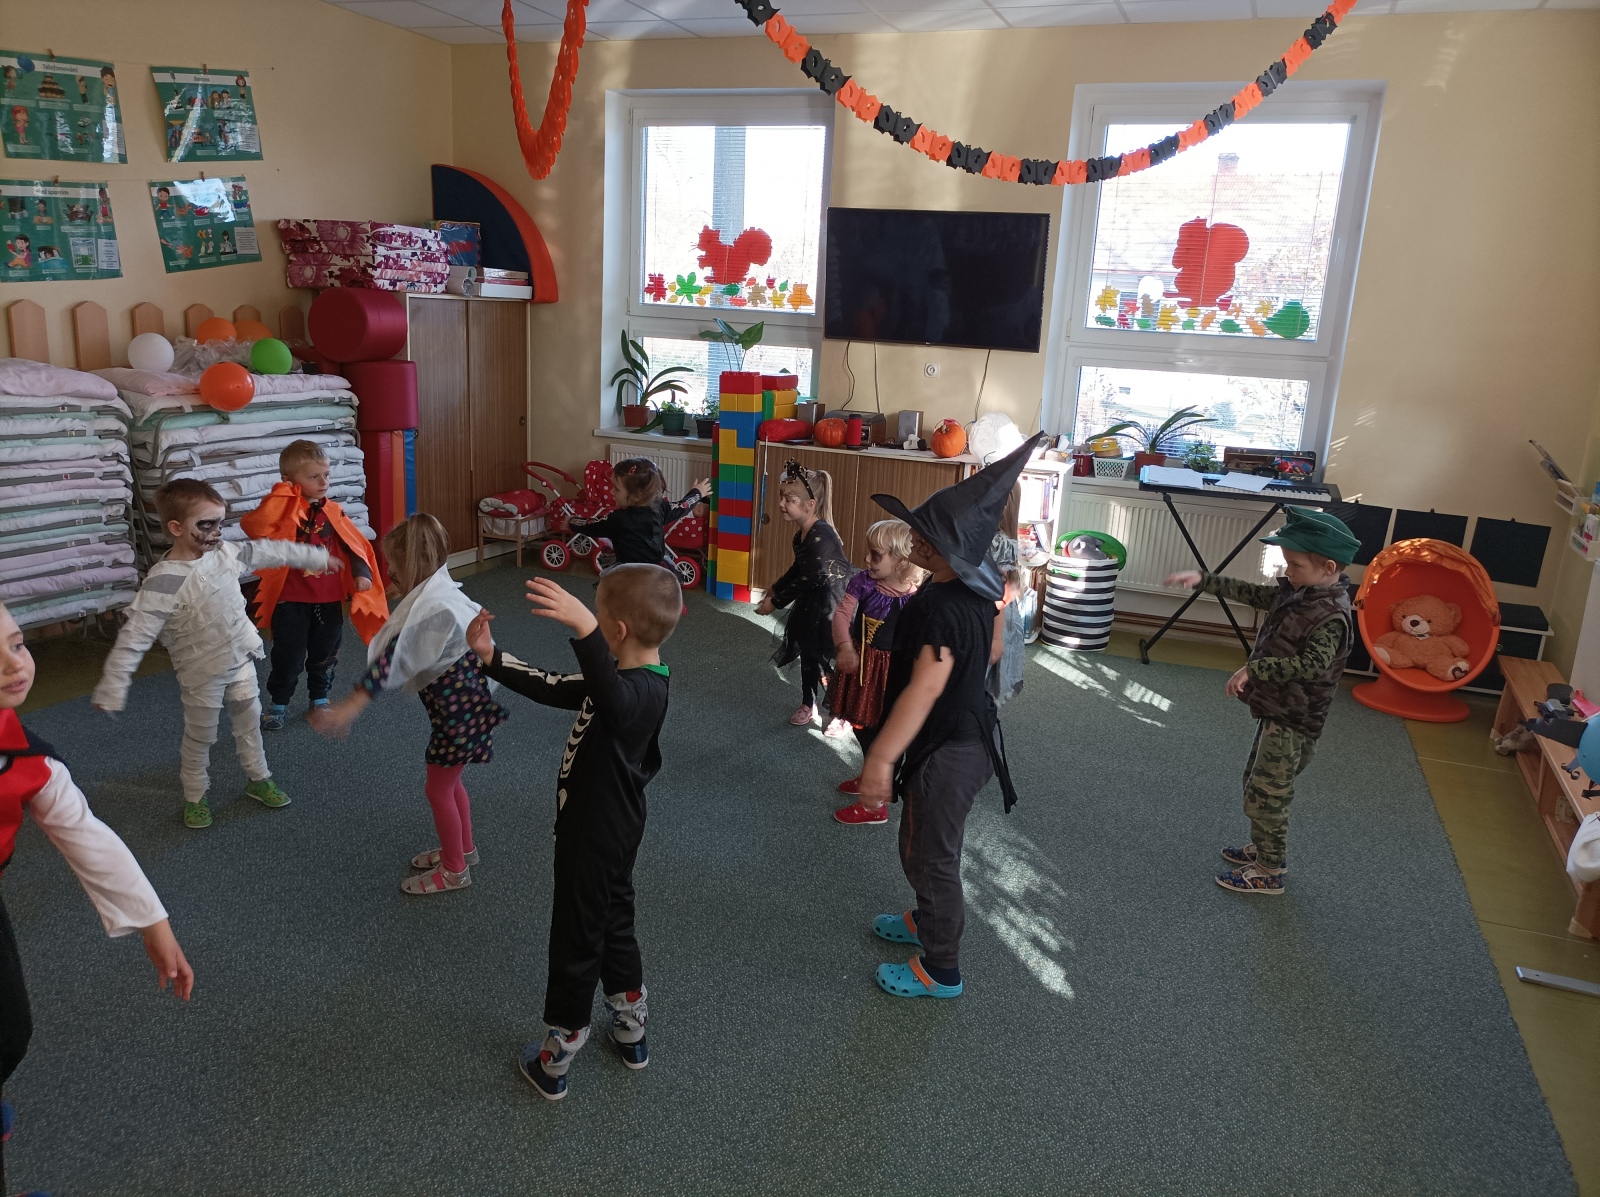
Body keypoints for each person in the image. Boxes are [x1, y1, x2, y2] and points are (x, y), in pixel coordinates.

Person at [0, 600, 194, 1193]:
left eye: (17, 644)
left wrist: (153, 923)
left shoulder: (27, 757)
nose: (13, 665)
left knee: (8, 1032)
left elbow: (87, 835)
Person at [468, 565, 680, 1101]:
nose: (594, 626)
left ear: (617, 631)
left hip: (594, 837)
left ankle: (557, 1054)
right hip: (610, 830)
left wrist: (584, 630)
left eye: (599, 618)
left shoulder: (640, 693)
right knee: (613, 920)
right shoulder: (620, 678)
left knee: (576, 937)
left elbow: (613, 700)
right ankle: (630, 1025)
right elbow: (553, 685)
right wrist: (493, 657)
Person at [856, 435, 1042, 1000]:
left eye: (924, 533)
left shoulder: (941, 606)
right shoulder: (967, 592)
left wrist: (881, 758)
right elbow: (986, 655)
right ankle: (926, 919)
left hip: (949, 753)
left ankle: (941, 968)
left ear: (949, 550)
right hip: (968, 741)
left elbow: (926, 686)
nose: (913, 536)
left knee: (930, 856)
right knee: (924, 842)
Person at [91, 479, 335, 829]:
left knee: (250, 724)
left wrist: (317, 557)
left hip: (240, 661)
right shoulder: (163, 581)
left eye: (220, 523)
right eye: (206, 524)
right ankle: (195, 796)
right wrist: (112, 687)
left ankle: (258, 778)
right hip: (200, 673)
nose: (217, 532)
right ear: (176, 528)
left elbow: (271, 550)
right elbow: (135, 637)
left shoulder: (225, 554)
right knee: (201, 735)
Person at [1164, 506, 1360, 895]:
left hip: (1295, 720)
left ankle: (1269, 870)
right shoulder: (1301, 592)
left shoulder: (1331, 615)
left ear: (1328, 567)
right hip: (1278, 710)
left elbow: (1311, 666)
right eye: (1287, 563)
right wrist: (1204, 580)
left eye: (1296, 565)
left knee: (1269, 796)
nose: (1288, 571)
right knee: (1256, 783)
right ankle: (1264, 847)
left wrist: (1255, 670)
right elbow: (1254, 594)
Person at [311, 514, 506, 896]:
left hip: (458, 719)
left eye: (394, 566)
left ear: (412, 565)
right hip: (468, 710)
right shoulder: (443, 594)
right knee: (450, 784)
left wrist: (351, 706)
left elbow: (391, 661)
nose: (389, 573)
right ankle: (463, 849)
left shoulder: (433, 609)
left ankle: (454, 870)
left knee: (438, 790)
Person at [240, 440, 388, 731]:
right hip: (290, 600)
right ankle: (278, 703)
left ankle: (319, 697)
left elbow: (354, 546)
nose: (323, 482)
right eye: (314, 476)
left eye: (326, 475)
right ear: (290, 480)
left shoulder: (333, 511)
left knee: (325, 654)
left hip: (328, 600)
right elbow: (254, 527)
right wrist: (281, 495)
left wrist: (362, 574)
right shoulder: (282, 510)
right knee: (288, 655)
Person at [830, 519, 926, 825]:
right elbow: (841, 615)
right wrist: (845, 646)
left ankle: (875, 804)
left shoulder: (918, 594)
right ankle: (870, 775)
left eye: (876, 554)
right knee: (862, 725)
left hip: (896, 673)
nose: (867, 559)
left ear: (901, 560)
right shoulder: (864, 582)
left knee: (884, 729)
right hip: (863, 668)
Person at [755, 460, 853, 727]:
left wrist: (775, 602)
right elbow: (798, 568)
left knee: (825, 661)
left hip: (830, 606)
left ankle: (840, 711)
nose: (781, 504)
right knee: (808, 656)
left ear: (810, 505)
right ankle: (808, 703)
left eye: (789, 499)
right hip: (812, 602)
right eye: (781, 497)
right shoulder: (801, 536)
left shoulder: (821, 536)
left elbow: (811, 576)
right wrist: (776, 586)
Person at [568, 458, 709, 571]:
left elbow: (591, 525)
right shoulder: (660, 507)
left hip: (630, 574)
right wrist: (697, 492)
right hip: (656, 570)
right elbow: (684, 506)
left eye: (616, 489)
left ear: (636, 496)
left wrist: (571, 521)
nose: (611, 492)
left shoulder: (618, 519)